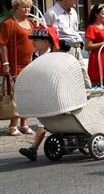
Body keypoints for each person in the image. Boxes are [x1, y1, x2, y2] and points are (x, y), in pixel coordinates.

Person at [19, 25, 59, 161]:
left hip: (52, 93)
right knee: (43, 120)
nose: (33, 42)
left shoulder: (54, 56)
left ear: (46, 42)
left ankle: (34, 148)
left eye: (36, 40)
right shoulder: (35, 55)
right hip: (42, 92)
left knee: (44, 121)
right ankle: (34, 149)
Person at [0, 0, 37, 136]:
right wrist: (5, 63)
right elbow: (2, 45)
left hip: (29, 64)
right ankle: (12, 126)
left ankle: (24, 124)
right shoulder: (8, 23)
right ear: (16, 8)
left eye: (28, 7)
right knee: (16, 95)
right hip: (15, 65)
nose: (27, 9)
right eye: (24, 7)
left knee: (28, 94)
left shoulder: (31, 23)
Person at [44, 0, 91, 88]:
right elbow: (47, 35)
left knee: (83, 77)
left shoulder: (73, 12)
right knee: (66, 80)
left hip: (76, 47)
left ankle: (88, 98)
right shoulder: (51, 13)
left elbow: (74, 30)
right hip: (62, 50)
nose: (77, 0)